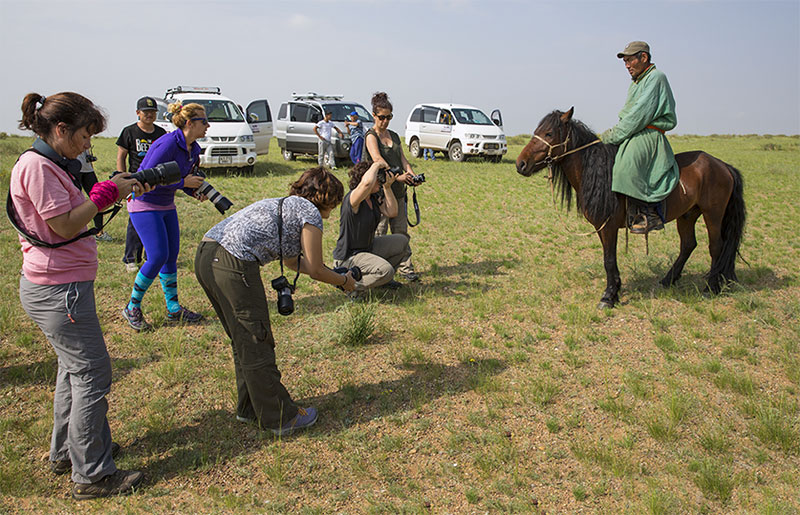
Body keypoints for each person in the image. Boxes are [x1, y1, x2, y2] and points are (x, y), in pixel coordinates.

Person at [10, 91, 147, 499]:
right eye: (86, 135)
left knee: (74, 371)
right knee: (92, 373)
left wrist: (106, 190)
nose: (89, 144)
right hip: (58, 290)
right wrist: (106, 194)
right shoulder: (38, 167)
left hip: (60, 286)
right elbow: (66, 226)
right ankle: (92, 475)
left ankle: (69, 452)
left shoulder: (51, 162)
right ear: (60, 129)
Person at [195, 167, 355, 435]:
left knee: (243, 338)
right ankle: (280, 417)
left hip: (206, 253)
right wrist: (344, 281)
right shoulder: (309, 211)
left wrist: (331, 274)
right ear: (327, 197)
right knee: (256, 338)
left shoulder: (285, 205)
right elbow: (315, 268)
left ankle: (251, 408)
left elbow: (295, 262)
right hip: (232, 261)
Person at [121, 102, 209, 331]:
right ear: (189, 123)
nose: (208, 125)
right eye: (204, 121)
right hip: (144, 204)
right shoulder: (167, 144)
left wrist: (193, 191)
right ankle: (132, 307)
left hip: (166, 204)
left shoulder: (193, 148)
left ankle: (173, 309)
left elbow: (180, 179)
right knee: (157, 256)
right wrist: (183, 183)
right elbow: (144, 178)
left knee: (171, 256)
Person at [600, 41, 679, 234]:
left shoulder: (656, 78)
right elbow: (628, 114)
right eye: (624, 61)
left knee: (627, 165)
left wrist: (613, 135)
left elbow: (638, 116)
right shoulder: (636, 83)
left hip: (649, 133)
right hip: (636, 130)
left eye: (629, 60)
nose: (627, 65)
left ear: (643, 58)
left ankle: (648, 214)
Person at [363, 91, 421, 282]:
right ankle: (380, 271)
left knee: (401, 232)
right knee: (380, 234)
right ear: (374, 115)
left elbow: (404, 160)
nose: (385, 121)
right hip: (378, 194)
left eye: (389, 117)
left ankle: (406, 268)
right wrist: (398, 177)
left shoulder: (394, 136)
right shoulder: (371, 136)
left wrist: (411, 175)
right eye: (382, 117)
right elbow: (378, 161)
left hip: (397, 193)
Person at [333, 161, 411, 295]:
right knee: (386, 270)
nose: (379, 180)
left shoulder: (374, 198)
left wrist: (387, 187)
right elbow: (367, 184)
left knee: (402, 242)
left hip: (367, 248)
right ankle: (350, 286)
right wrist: (376, 164)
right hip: (349, 256)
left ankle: (381, 281)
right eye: (377, 177)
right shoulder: (353, 199)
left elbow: (392, 212)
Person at [116, 96, 167, 272]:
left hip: (157, 181)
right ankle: (131, 258)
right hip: (135, 182)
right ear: (138, 113)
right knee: (136, 222)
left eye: (153, 112)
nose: (150, 115)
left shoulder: (161, 133)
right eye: (146, 112)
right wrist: (123, 178)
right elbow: (121, 156)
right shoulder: (129, 132)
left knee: (156, 220)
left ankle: (150, 256)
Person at [75, 148, 111, 241]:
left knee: (98, 198)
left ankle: (99, 232)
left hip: (87, 168)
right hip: (74, 168)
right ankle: (77, 233)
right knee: (75, 200)